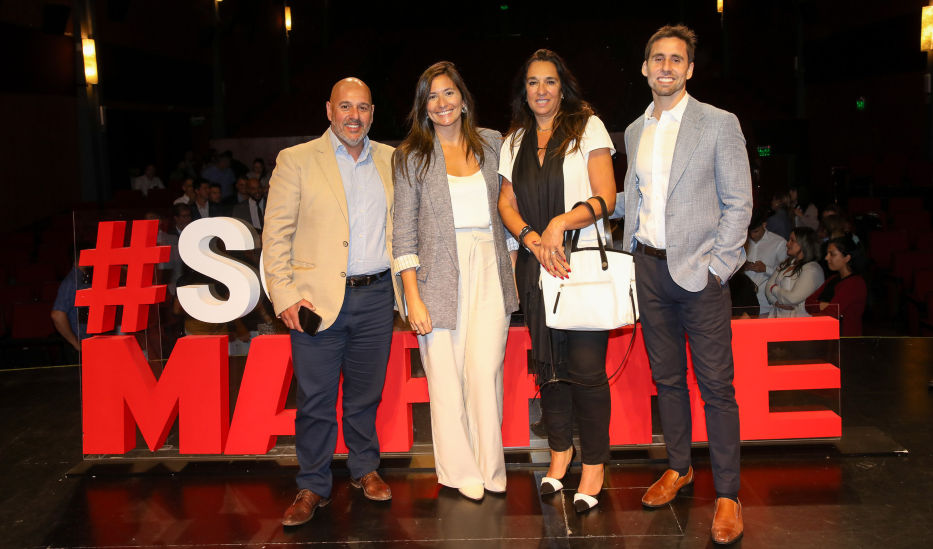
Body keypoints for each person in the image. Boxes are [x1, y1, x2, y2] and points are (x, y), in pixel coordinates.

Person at [613, 25, 752, 544]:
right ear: (645, 68)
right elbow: (638, 199)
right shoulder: (633, 130)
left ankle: (728, 495)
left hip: (700, 274)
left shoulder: (718, 123)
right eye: (657, 58)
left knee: (717, 388)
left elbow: (739, 202)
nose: (666, 66)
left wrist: (720, 266)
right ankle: (679, 467)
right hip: (648, 270)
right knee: (667, 379)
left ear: (689, 69)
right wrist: (589, 207)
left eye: (676, 59)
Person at [263, 77, 405, 528]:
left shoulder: (391, 159)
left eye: (362, 108)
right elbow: (276, 234)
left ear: (372, 113)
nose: (353, 116)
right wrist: (284, 295)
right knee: (316, 400)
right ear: (329, 110)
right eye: (345, 107)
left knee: (365, 396)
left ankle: (364, 469)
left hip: (378, 295)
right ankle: (313, 485)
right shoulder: (297, 159)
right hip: (316, 303)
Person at [392, 62, 519, 501]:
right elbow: (403, 232)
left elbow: (506, 210)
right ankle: (459, 470)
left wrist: (512, 273)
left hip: (489, 264)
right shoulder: (410, 155)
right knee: (444, 377)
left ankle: (490, 466)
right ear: (423, 107)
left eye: (449, 94)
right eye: (432, 97)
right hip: (435, 275)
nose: (442, 104)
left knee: (485, 371)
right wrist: (412, 296)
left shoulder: (491, 143)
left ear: (463, 99)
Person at [497, 49, 617, 513]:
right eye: (532, 83)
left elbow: (605, 195)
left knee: (586, 371)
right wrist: (531, 237)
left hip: (579, 262)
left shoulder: (588, 126)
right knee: (549, 369)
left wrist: (559, 224)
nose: (541, 90)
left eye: (549, 82)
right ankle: (560, 455)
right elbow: (507, 203)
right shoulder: (514, 140)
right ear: (523, 90)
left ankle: (594, 466)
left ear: (562, 86)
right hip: (535, 264)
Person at [806, 236, 867, 336]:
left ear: (847, 258)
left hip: (845, 341)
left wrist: (822, 305)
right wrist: (824, 305)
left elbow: (831, 313)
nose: (826, 258)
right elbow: (808, 304)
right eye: (827, 254)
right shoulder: (833, 279)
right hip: (829, 336)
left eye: (832, 254)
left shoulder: (855, 283)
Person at [765, 227, 824, 318]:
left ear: (804, 244)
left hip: (800, 324)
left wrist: (774, 289)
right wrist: (776, 302)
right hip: (779, 320)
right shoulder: (786, 264)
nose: (787, 244)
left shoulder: (812, 269)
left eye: (792, 240)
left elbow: (793, 298)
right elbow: (767, 287)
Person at [743, 209, 787, 315]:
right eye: (750, 232)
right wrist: (742, 266)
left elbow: (786, 275)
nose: (752, 235)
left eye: (756, 231)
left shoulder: (779, 243)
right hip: (743, 301)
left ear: (764, 225)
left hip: (766, 302)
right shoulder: (742, 241)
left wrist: (765, 269)